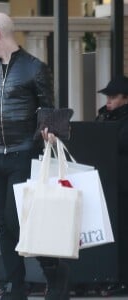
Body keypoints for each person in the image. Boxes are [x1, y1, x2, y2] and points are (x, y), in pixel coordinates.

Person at [0, 13, 69, 300]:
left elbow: (48, 111)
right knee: (3, 225)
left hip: (25, 154)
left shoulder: (34, 68)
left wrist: (49, 133)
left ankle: (55, 273)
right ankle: (16, 287)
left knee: (19, 222)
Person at [96, 75, 128, 296]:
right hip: (105, 183)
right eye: (107, 96)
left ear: (126, 99)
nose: (109, 100)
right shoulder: (103, 116)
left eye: (113, 97)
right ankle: (108, 276)